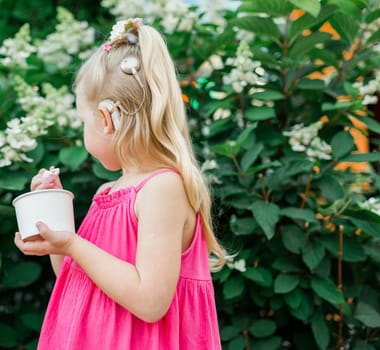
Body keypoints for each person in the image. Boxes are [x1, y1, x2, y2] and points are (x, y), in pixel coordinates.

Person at [14, 18, 226, 349]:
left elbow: (150, 302)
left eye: (83, 122)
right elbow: (76, 277)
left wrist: (72, 244)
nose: (83, 131)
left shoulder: (162, 189)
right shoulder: (107, 193)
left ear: (105, 119)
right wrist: (57, 226)